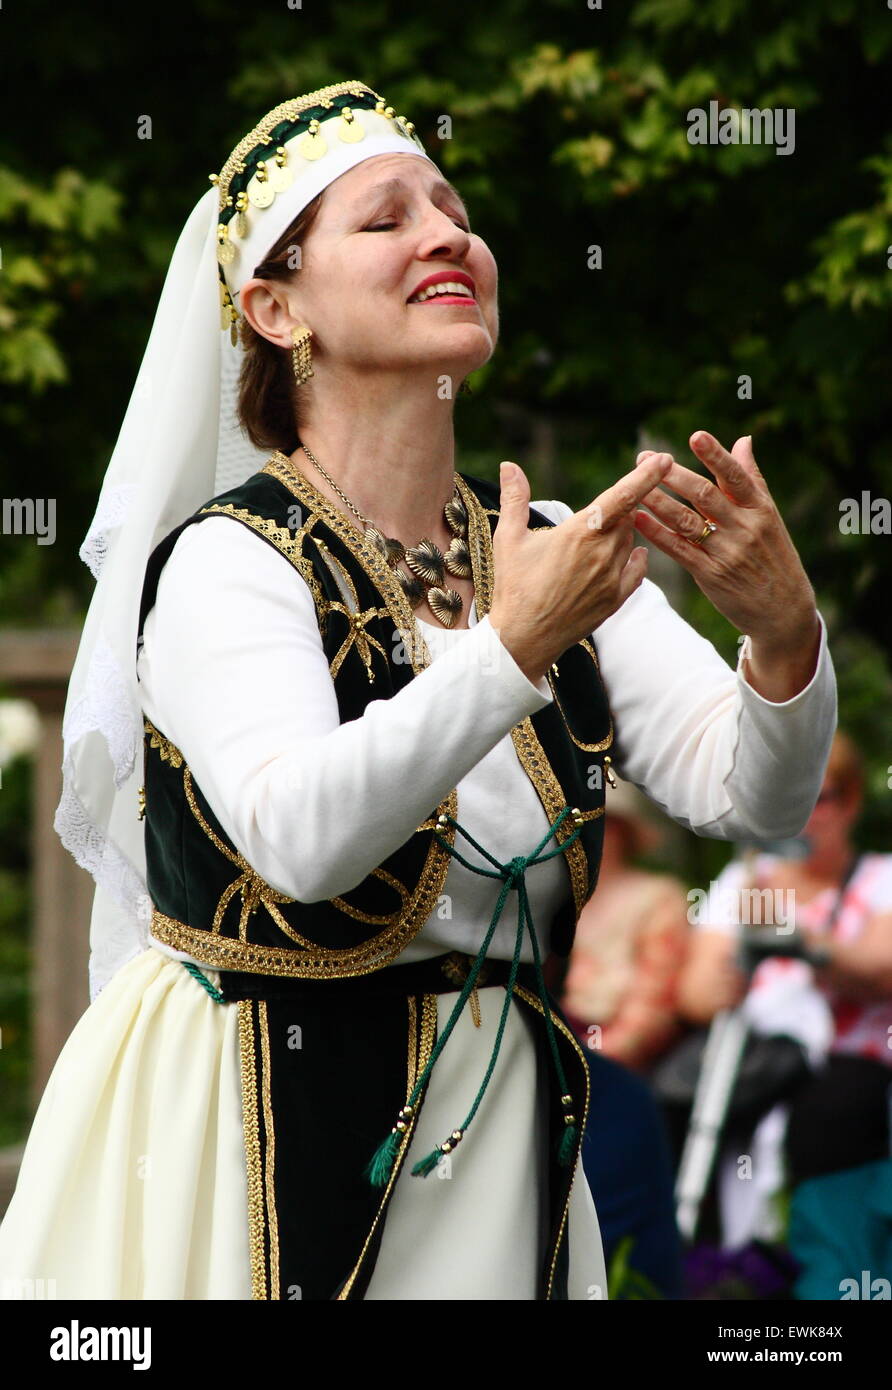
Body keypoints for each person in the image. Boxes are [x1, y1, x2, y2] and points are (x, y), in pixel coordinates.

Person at [0, 79, 837, 1301]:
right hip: (254, 1132)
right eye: (386, 219)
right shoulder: (231, 561)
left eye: (453, 210)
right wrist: (510, 649)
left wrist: (782, 635)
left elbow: (751, 797)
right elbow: (302, 836)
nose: (448, 234)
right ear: (276, 306)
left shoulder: (551, 544)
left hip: (497, 1148)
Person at [676, 730, 892, 1254]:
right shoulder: (745, 881)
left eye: (821, 799)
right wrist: (727, 974)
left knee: (831, 1114)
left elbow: (880, 970)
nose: (807, 816)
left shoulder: (881, 877)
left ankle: (828, 1268)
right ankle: (717, 1264)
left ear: (852, 802)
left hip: (850, 1069)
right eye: (794, 800)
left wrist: (803, 942)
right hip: (758, 1061)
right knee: (678, 1103)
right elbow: (694, 993)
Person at [558, 776, 690, 1073]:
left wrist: (587, 1061)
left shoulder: (658, 898)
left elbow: (652, 1009)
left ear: (621, 829)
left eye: (597, 821)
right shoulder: (554, 896)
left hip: (614, 1066)